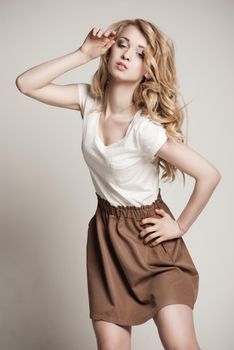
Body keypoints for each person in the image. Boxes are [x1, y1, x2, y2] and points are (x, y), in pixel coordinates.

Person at [16, 18, 221, 350]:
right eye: (123, 44)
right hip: (106, 239)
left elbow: (209, 175)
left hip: (150, 240)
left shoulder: (145, 129)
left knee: (180, 345)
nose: (127, 54)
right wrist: (82, 54)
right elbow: (26, 84)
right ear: (109, 50)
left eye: (141, 53)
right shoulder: (89, 103)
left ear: (148, 69)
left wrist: (180, 226)